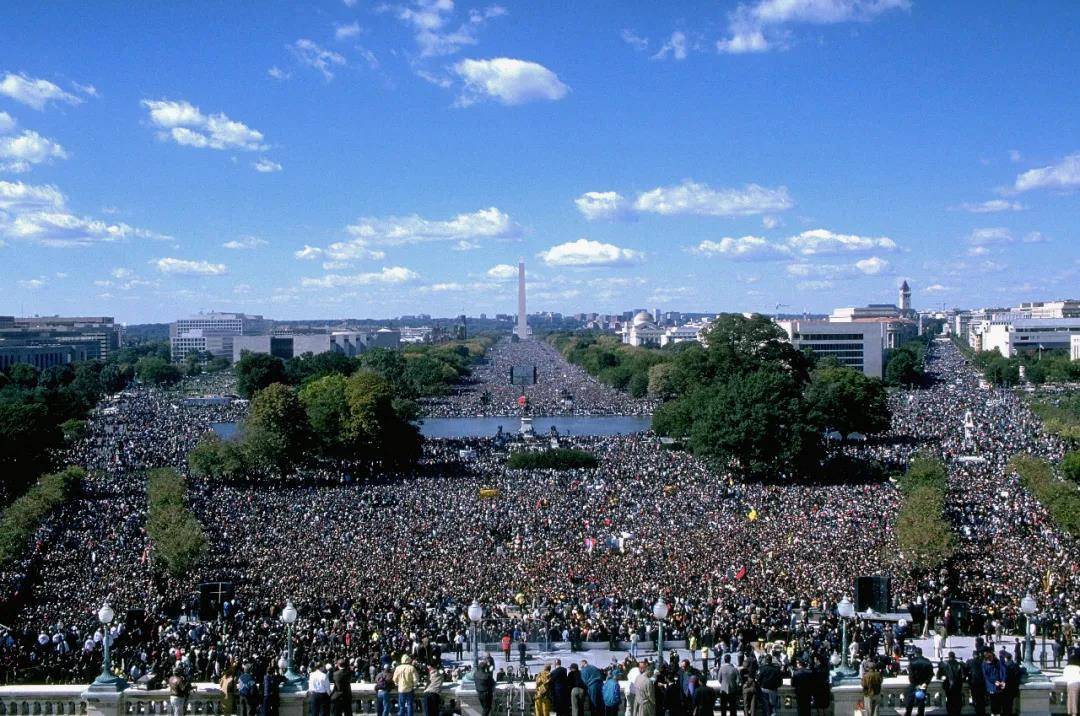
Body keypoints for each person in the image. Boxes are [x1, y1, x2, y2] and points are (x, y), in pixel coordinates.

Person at [904, 648, 934, 716]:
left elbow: (911, 675)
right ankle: (920, 714)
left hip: (914, 683)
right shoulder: (927, 661)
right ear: (921, 653)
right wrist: (926, 683)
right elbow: (931, 674)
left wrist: (914, 683)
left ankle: (908, 713)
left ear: (915, 653)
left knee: (910, 699)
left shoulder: (912, 661)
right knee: (921, 700)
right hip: (923, 684)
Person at [937, 652, 965, 716]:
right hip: (958, 686)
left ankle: (951, 713)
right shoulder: (959, 664)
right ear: (954, 656)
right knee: (958, 700)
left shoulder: (944, 664)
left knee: (950, 700)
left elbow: (938, 676)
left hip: (948, 686)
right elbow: (963, 676)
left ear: (949, 657)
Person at [966, 649, 987, 716]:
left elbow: (966, 671)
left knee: (976, 699)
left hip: (974, 683)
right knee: (982, 698)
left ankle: (978, 712)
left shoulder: (970, 662)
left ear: (973, 655)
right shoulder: (983, 662)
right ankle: (982, 712)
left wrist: (968, 678)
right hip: (982, 683)